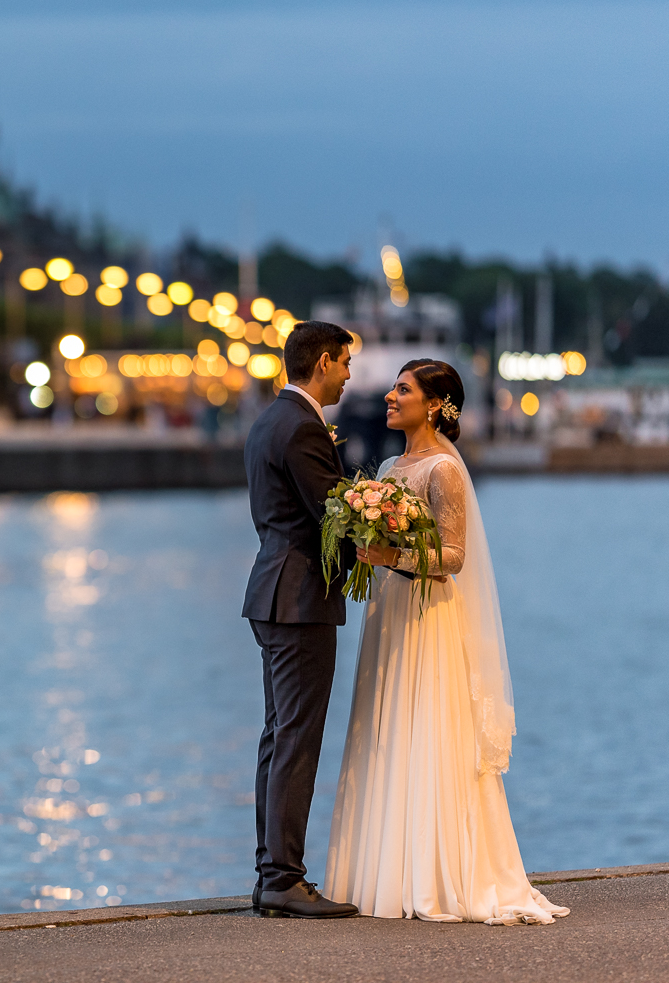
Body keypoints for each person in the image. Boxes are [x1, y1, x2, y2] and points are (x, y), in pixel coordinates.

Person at [323, 359, 569, 925]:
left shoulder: (444, 471)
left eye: (402, 389)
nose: (389, 395)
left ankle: (436, 873)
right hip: (390, 612)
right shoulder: (389, 463)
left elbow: (453, 558)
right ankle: (385, 868)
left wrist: (390, 556)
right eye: (393, 387)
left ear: (434, 403)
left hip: (429, 615)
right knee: (386, 727)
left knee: (428, 727)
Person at [241, 321, 359, 919]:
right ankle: (284, 878)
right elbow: (333, 514)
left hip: (272, 591)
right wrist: (388, 529)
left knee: (278, 735)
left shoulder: (269, 419)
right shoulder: (303, 428)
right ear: (322, 361)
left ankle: (270, 872)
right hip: (300, 599)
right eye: (344, 363)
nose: (348, 374)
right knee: (297, 737)